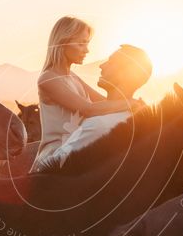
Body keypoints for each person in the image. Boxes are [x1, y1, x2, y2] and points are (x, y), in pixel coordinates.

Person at [31, 16, 142, 172]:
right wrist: (129, 103)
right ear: (63, 42)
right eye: (81, 43)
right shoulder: (48, 79)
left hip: (78, 149)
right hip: (56, 156)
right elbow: (88, 109)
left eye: (87, 44)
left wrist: (136, 107)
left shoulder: (72, 77)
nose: (87, 50)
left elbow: (103, 102)